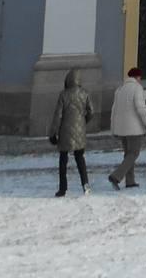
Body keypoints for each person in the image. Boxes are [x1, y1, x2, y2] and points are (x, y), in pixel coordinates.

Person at [50, 68, 93, 196]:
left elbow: (58, 116)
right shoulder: (85, 93)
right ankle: (85, 185)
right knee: (80, 158)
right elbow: (91, 111)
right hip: (80, 131)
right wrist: (83, 122)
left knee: (63, 160)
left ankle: (62, 188)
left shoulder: (63, 94)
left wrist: (53, 133)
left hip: (64, 131)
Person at [107, 66, 146, 188]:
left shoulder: (120, 89)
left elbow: (114, 110)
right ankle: (116, 176)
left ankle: (130, 181)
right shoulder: (137, 88)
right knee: (134, 153)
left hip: (122, 128)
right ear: (138, 77)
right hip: (134, 128)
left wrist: (113, 128)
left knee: (128, 154)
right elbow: (141, 108)